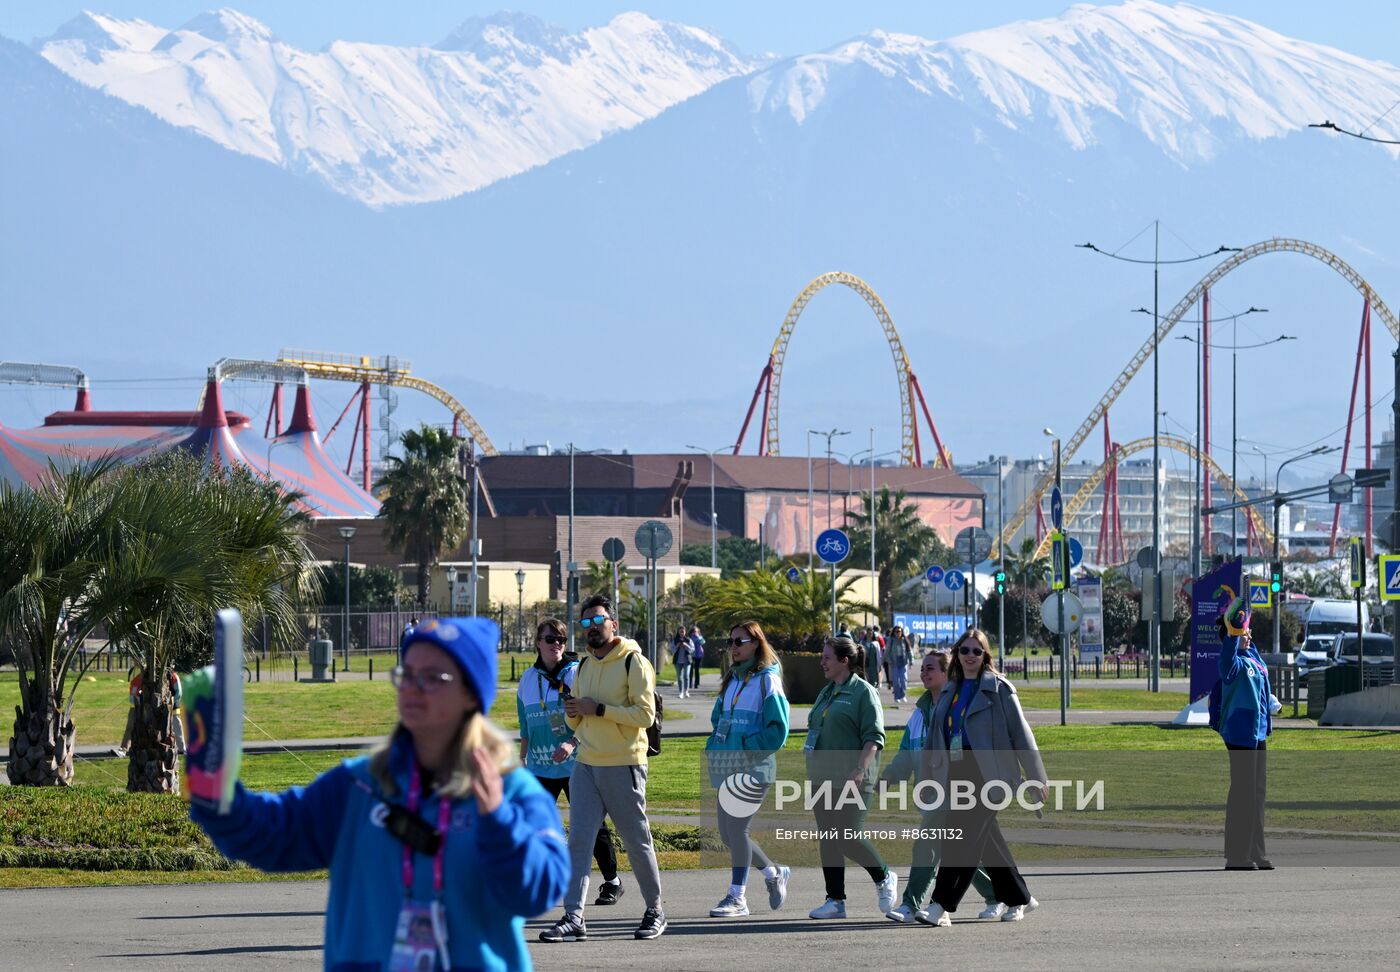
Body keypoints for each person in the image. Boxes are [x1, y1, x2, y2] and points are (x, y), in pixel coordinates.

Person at [190, 617, 569, 971]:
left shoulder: (511, 790)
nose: (412, 689)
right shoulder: (360, 785)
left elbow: (538, 892)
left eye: (433, 677)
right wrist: (214, 792)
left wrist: (499, 820)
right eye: (407, 675)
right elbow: (273, 835)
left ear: (472, 694)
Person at [540, 594, 667, 942]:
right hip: (586, 765)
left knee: (636, 840)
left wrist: (598, 710)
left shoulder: (634, 662)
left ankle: (655, 910)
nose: (592, 627)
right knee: (578, 842)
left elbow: (645, 716)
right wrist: (574, 715)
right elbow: (579, 718)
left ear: (614, 624)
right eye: (586, 622)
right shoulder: (583, 666)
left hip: (624, 763)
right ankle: (574, 917)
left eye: (598, 620)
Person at [922, 627, 1044, 926]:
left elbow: (1021, 733)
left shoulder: (999, 688)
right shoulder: (950, 689)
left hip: (990, 774)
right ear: (957, 654)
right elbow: (935, 736)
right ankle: (1021, 897)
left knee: (961, 840)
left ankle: (940, 906)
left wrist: (1036, 776)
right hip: (956, 770)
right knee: (987, 841)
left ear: (985, 655)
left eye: (977, 651)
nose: (970, 656)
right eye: (965, 650)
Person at [881, 650, 1002, 923]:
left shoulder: (958, 708)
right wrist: (889, 777)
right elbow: (905, 753)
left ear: (947, 673)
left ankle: (913, 904)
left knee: (926, 844)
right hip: (931, 794)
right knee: (960, 850)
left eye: (930, 668)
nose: (923, 673)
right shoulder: (919, 714)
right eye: (922, 668)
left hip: (958, 791)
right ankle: (998, 893)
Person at [516, 618, 624, 905]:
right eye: (550, 639)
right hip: (540, 766)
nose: (556, 645)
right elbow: (525, 725)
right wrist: (522, 759)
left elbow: (587, 720)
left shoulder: (577, 674)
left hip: (578, 762)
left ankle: (612, 881)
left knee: (590, 825)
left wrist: (571, 742)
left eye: (561, 640)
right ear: (538, 642)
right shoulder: (528, 679)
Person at [804, 634, 898, 919]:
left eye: (827, 658)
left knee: (847, 835)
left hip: (853, 778)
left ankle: (884, 876)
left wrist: (860, 769)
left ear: (844, 661)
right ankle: (835, 900)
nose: (822, 662)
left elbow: (874, 737)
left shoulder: (863, 692)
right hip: (822, 778)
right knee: (829, 839)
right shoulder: (827, 691)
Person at [704, 620, 792, 917]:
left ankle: (737, 896)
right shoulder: (731, 678)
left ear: (756, 643)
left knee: (738, 830)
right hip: (726, 765)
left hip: (752, 767)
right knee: (729, 835)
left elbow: (778, 730)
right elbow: (718, 719)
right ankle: (773, 873)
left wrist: (744, 746)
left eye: (739, 642)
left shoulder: (768, 680)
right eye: (730, 642)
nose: (732, 648)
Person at [1215, 599, 1274, 870]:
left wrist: (1244, 616)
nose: (1249, 637)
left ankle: (1257, 852)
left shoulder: (1253, 658)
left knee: (1257, 793)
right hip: (1239, 734)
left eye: (1249, 634)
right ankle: (1237, 856)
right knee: (1242, 792)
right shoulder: (1234, 662)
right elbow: (1227, 667)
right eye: (1245, 634)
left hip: (1258, 732)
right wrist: (1233, 631)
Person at [886, 627, 911, 704]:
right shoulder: (891, 640)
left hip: (903, 662)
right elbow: (887, 652)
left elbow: (909, 651)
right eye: (896, 632)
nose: (898, 633)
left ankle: (903, 695)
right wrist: (889, 661)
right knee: (896, 681)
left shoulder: (905, 640)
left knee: (903, 680)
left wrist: (911, 661)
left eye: (899, 631)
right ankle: (897, 697)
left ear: (902, 632)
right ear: (894, 632)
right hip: (894, 662)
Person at [672, 629, 693, 699]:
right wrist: (677, 646)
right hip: (678, 661)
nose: (681, 633)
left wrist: (686, 645)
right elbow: (672, 650)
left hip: (687, 661)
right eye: (680, 631)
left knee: (686, 676)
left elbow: (692, 649)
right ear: (678, 632)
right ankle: (680, 692)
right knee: (679, 677)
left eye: (683, 632)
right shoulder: (675, 640)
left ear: (685, 632)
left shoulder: (688, 640)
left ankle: (686, 691)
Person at [689, 624, 705, 691]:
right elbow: (691, 642)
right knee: (691, 669)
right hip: (692, 655)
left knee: (697, 670)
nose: (695, 632)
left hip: (699, 655)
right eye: (694, 631)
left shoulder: (700, 637)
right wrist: (694, 637)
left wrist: (698, 637)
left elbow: (703, 642)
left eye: (696, 631)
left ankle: (696, 683)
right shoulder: (690, 637)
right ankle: (689, 683)